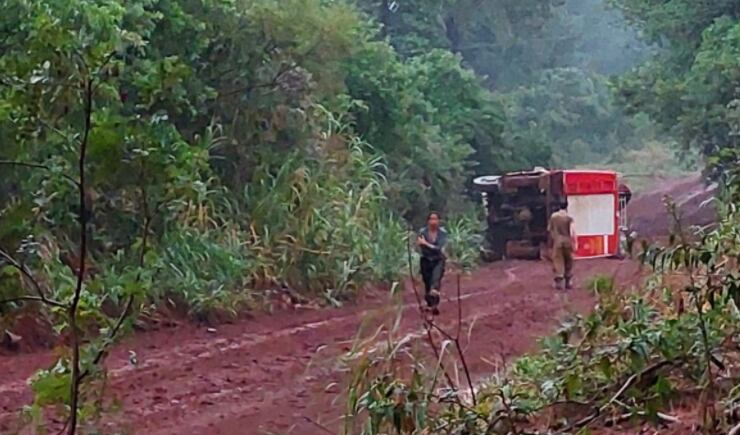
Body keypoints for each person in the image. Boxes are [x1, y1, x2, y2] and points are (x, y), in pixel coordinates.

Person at [417, 212, 448, 314]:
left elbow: (440, 249)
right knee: (427, 283)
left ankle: (434, 303)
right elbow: (422, 247)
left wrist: (426, 244)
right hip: (426, 260)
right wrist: (431, 247)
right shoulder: (423, 232)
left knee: (435, 280)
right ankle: (431, 305)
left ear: (439, 221)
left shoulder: (442, 233)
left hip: (438, 260)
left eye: (435, 219)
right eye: (431, 219)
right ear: (428, 221)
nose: (433, 222)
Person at [548, 203, 576, 290]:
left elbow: (550, 230)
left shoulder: (554, 217)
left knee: (558, 260)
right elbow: (572, 232)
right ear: (566, 206)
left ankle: (559, 281)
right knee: (569, 260)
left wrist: (551, 242)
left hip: (558, 241)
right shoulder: (569, 218)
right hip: (567, 241)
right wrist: (574, 243)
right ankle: (568, 281)